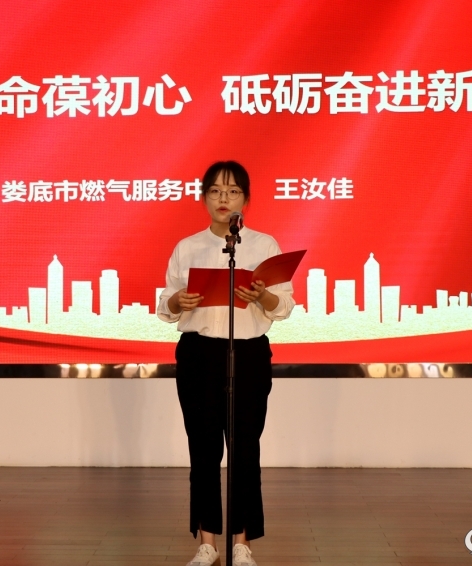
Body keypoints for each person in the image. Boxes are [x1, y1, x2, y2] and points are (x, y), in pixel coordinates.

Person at [157, 161, 296, 566]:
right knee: (202, 450)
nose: (224, 199)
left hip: (248, 354)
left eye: (233, 191)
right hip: (199, 354)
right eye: (216, 191)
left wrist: (261, 296)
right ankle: (207, 544)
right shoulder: (188, 247)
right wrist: (177, 301)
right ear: (204, 198)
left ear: (245, 200)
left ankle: (242, 543)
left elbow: (284, 305)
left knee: (244, 450)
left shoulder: (264, 245)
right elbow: (165, 303)